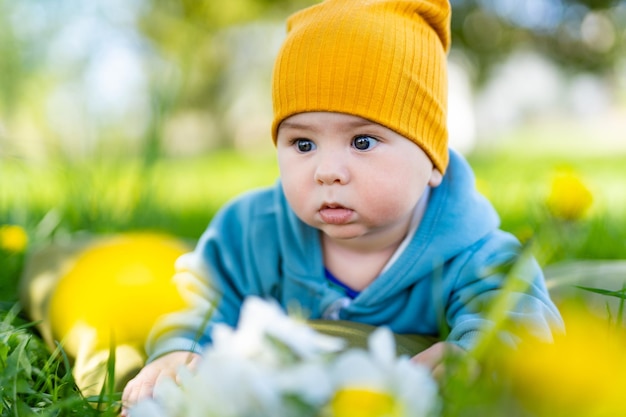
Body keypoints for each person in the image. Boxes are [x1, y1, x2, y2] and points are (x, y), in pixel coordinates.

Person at [122, 0, 564, 410]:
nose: (326, 170)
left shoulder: (474, 251)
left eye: (363, 141)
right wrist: (181, 348)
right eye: (303, 142)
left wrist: (474, 354)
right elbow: (199, 296)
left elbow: (519, 315)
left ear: (433, 159)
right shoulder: (250, 230)